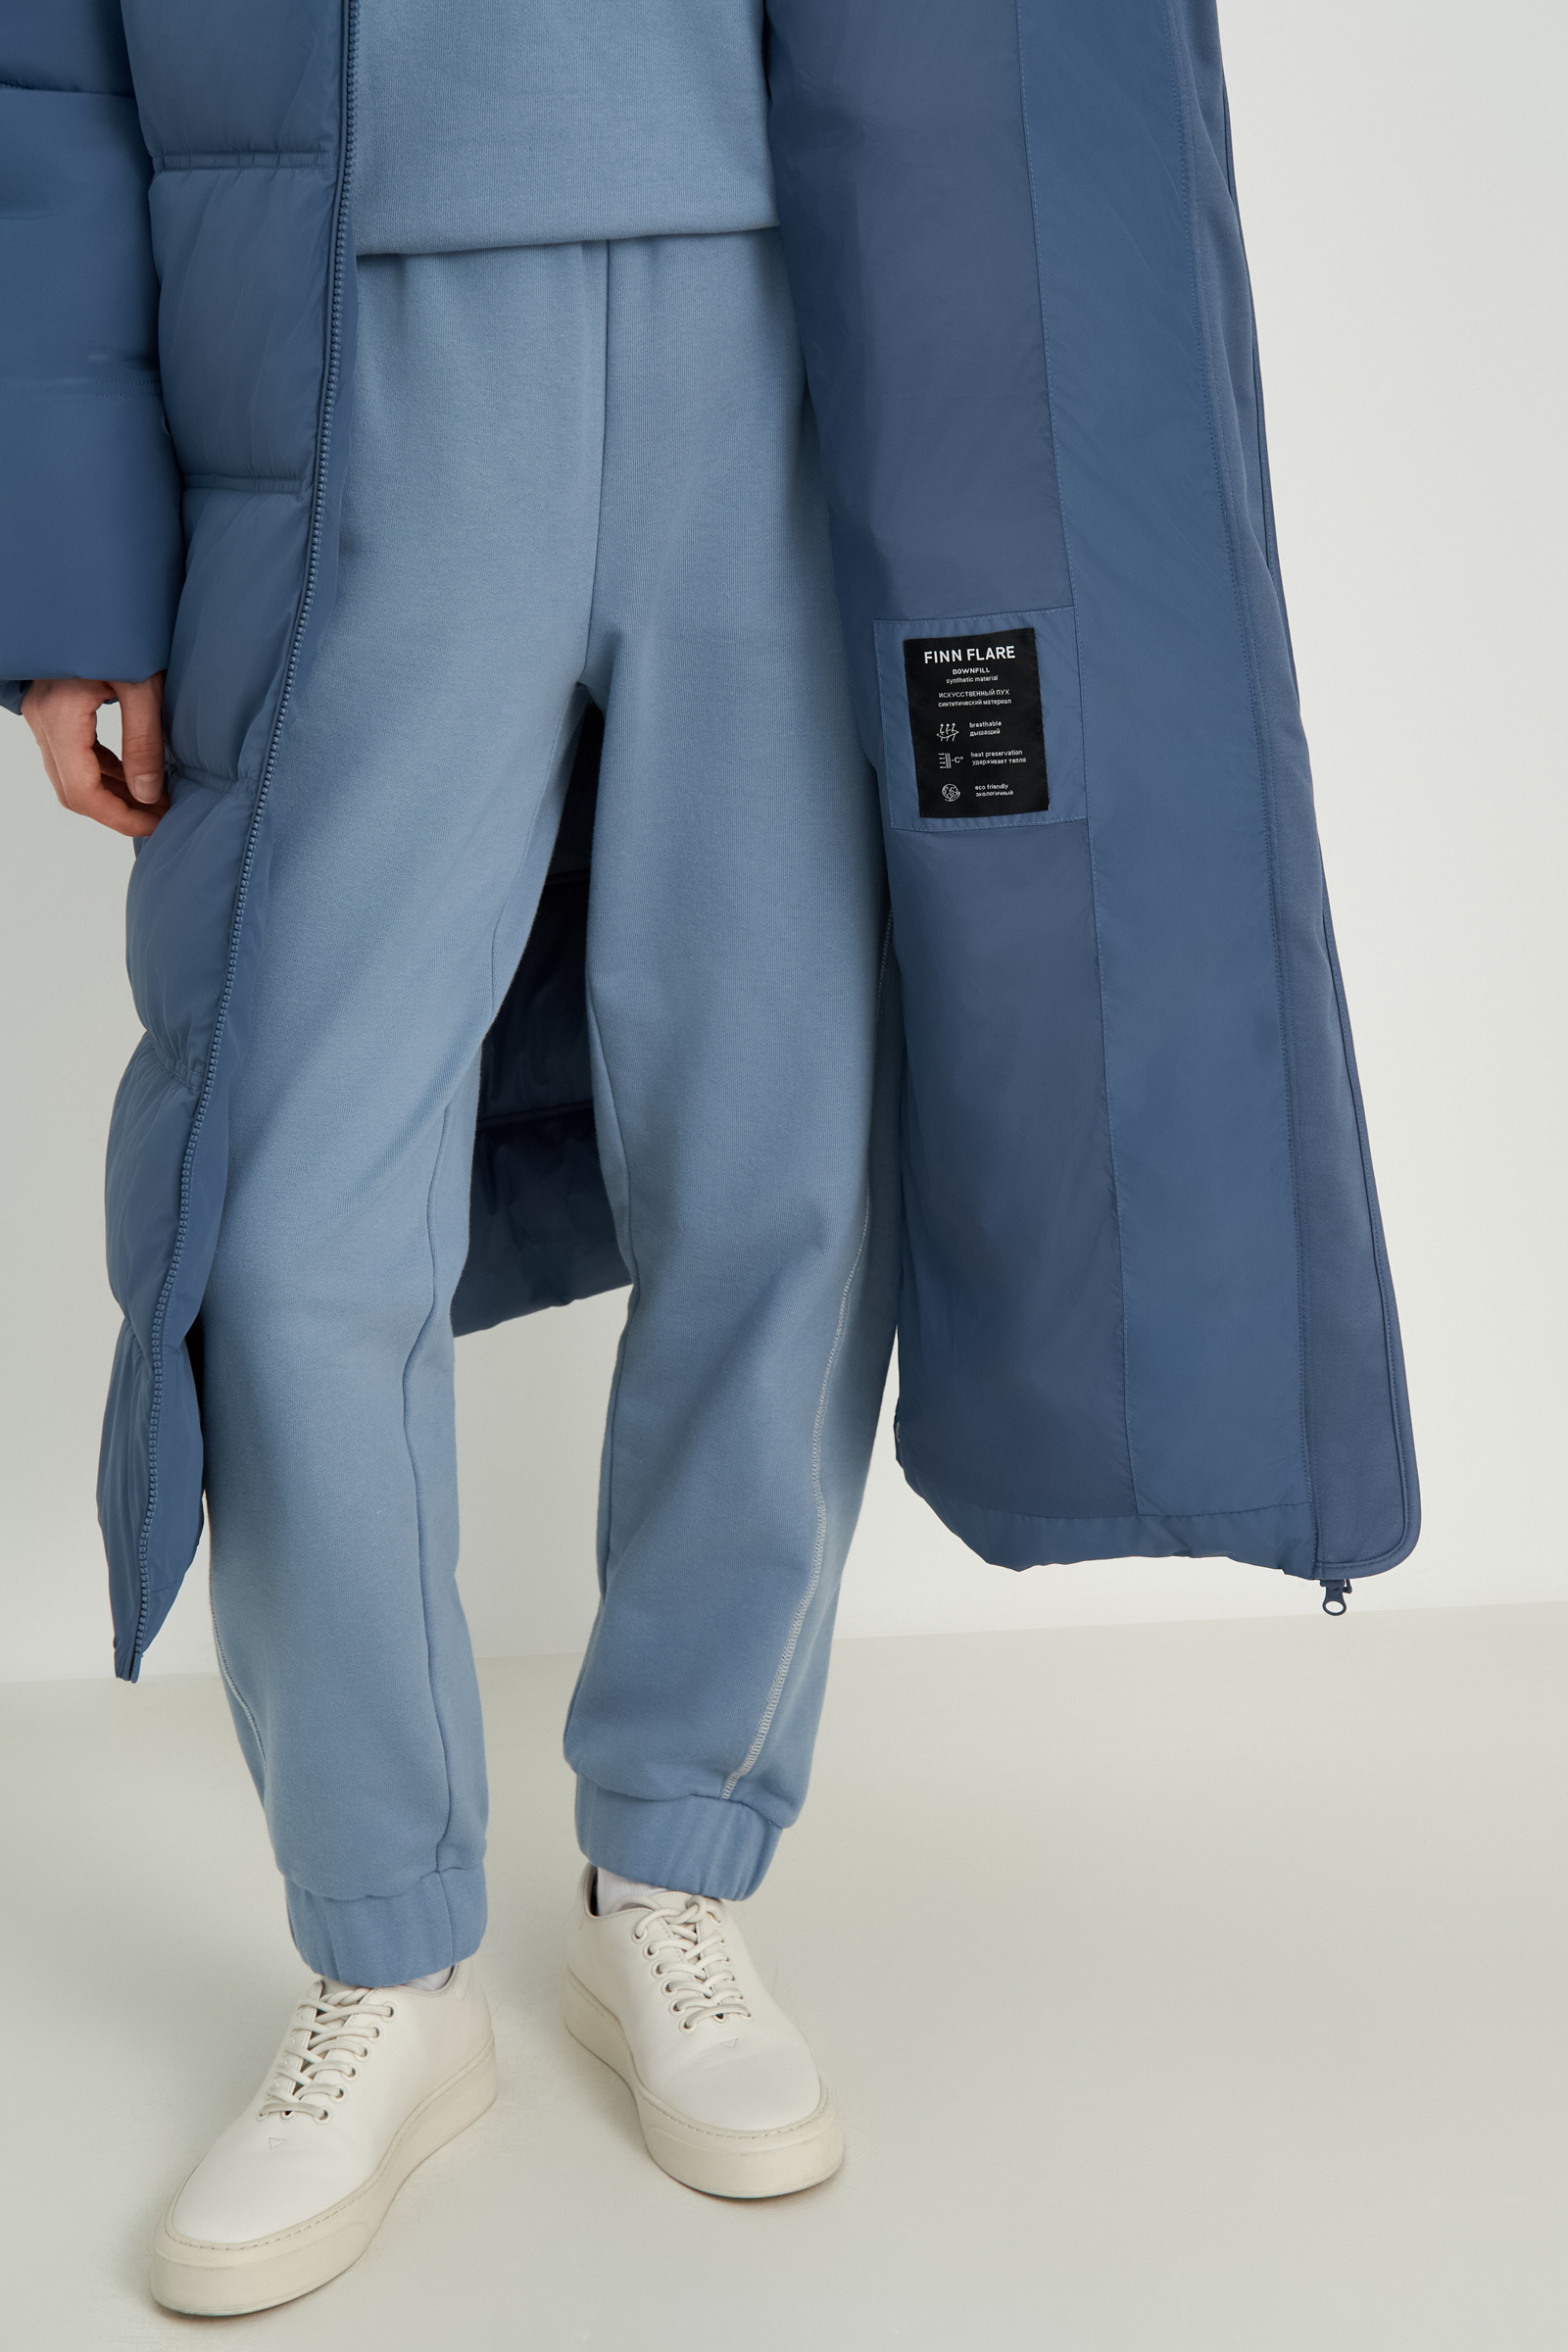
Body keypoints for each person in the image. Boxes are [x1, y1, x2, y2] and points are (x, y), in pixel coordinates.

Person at [3, 0, 1418, 2319]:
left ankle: (671, 1866)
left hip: (789, 290)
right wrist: (67, 584)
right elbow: (46, 56)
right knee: (281, 1225)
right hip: (355, 331)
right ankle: (382, 1952)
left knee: (783, 1168)